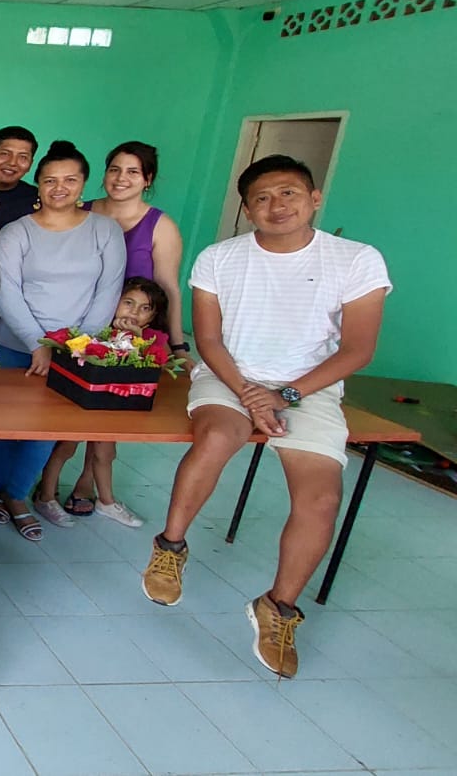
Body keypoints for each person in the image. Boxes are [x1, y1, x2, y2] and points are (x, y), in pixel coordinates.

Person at [143, 155, 390, 679]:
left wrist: (287, 394)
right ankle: (170, 545)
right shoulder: (219, 258)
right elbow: (209, 339)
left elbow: (358, 348)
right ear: (247, 208)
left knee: (322, 498)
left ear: (314, 198)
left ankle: (278, 607)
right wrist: (252, 395)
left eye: (288, 193)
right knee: (216, 438)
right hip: (229, 377)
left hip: (310, 389)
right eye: (262, 198)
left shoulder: (356, 260)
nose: (276, 205)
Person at [0, 141, 126, 542]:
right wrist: (38, 343)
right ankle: (2, 490)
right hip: (16, 342)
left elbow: (108, 290)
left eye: (70, 180)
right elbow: (6, 292)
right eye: (50, 180)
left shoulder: (104, 230)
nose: (59, 188)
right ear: (38, 184)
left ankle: (17, 495)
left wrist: (76, 345)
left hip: (75, 350)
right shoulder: (16, 232)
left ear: (84, 184)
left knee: (48, 428)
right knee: (1, 425)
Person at [34, 277, 173, 529]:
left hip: (115, 407)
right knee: (66, 447)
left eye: (145, 308)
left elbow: (157, 365)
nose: (134, 312)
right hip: (83, 403)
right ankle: (46, 496)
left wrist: (138, 340)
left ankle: (106, 502)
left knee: (106, 453)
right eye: (128, 303)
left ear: (153, 316)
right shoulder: (98, 327)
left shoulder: (154, 338)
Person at [83, 141, 190, 354]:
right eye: (114, 170)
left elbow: (168, 289)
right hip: (78, 329)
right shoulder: (80, 213)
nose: (121, 178)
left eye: (133, 172)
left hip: (132, 337)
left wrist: (178, 347)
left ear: (147, 179)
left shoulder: (161, 226)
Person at [0, 126, 40, 239]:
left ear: (30, 164)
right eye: (5, 154)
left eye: (23, 157)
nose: (12, 162)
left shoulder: (37, 199)